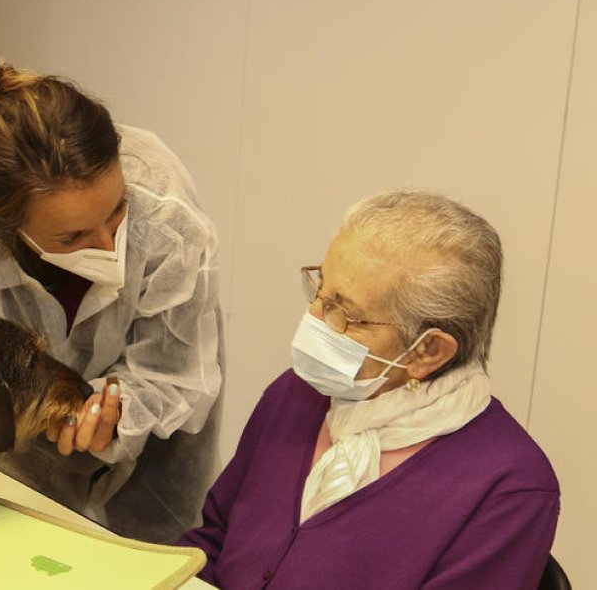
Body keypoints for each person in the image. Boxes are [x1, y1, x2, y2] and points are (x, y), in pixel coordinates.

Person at [0, 57, 224, 543]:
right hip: (21, 465)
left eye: (117, 212)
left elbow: (174, 375)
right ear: (6, 231)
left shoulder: (164, 215)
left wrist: (115, 413)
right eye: (72, 236)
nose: (107, 244)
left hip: (155, 474)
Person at [177, 190, 559, 589]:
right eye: (321, 288)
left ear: (428, 350)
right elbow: (213, 542)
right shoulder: (295, 396)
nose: (314, 318)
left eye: (347, 313)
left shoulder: (510, 489)